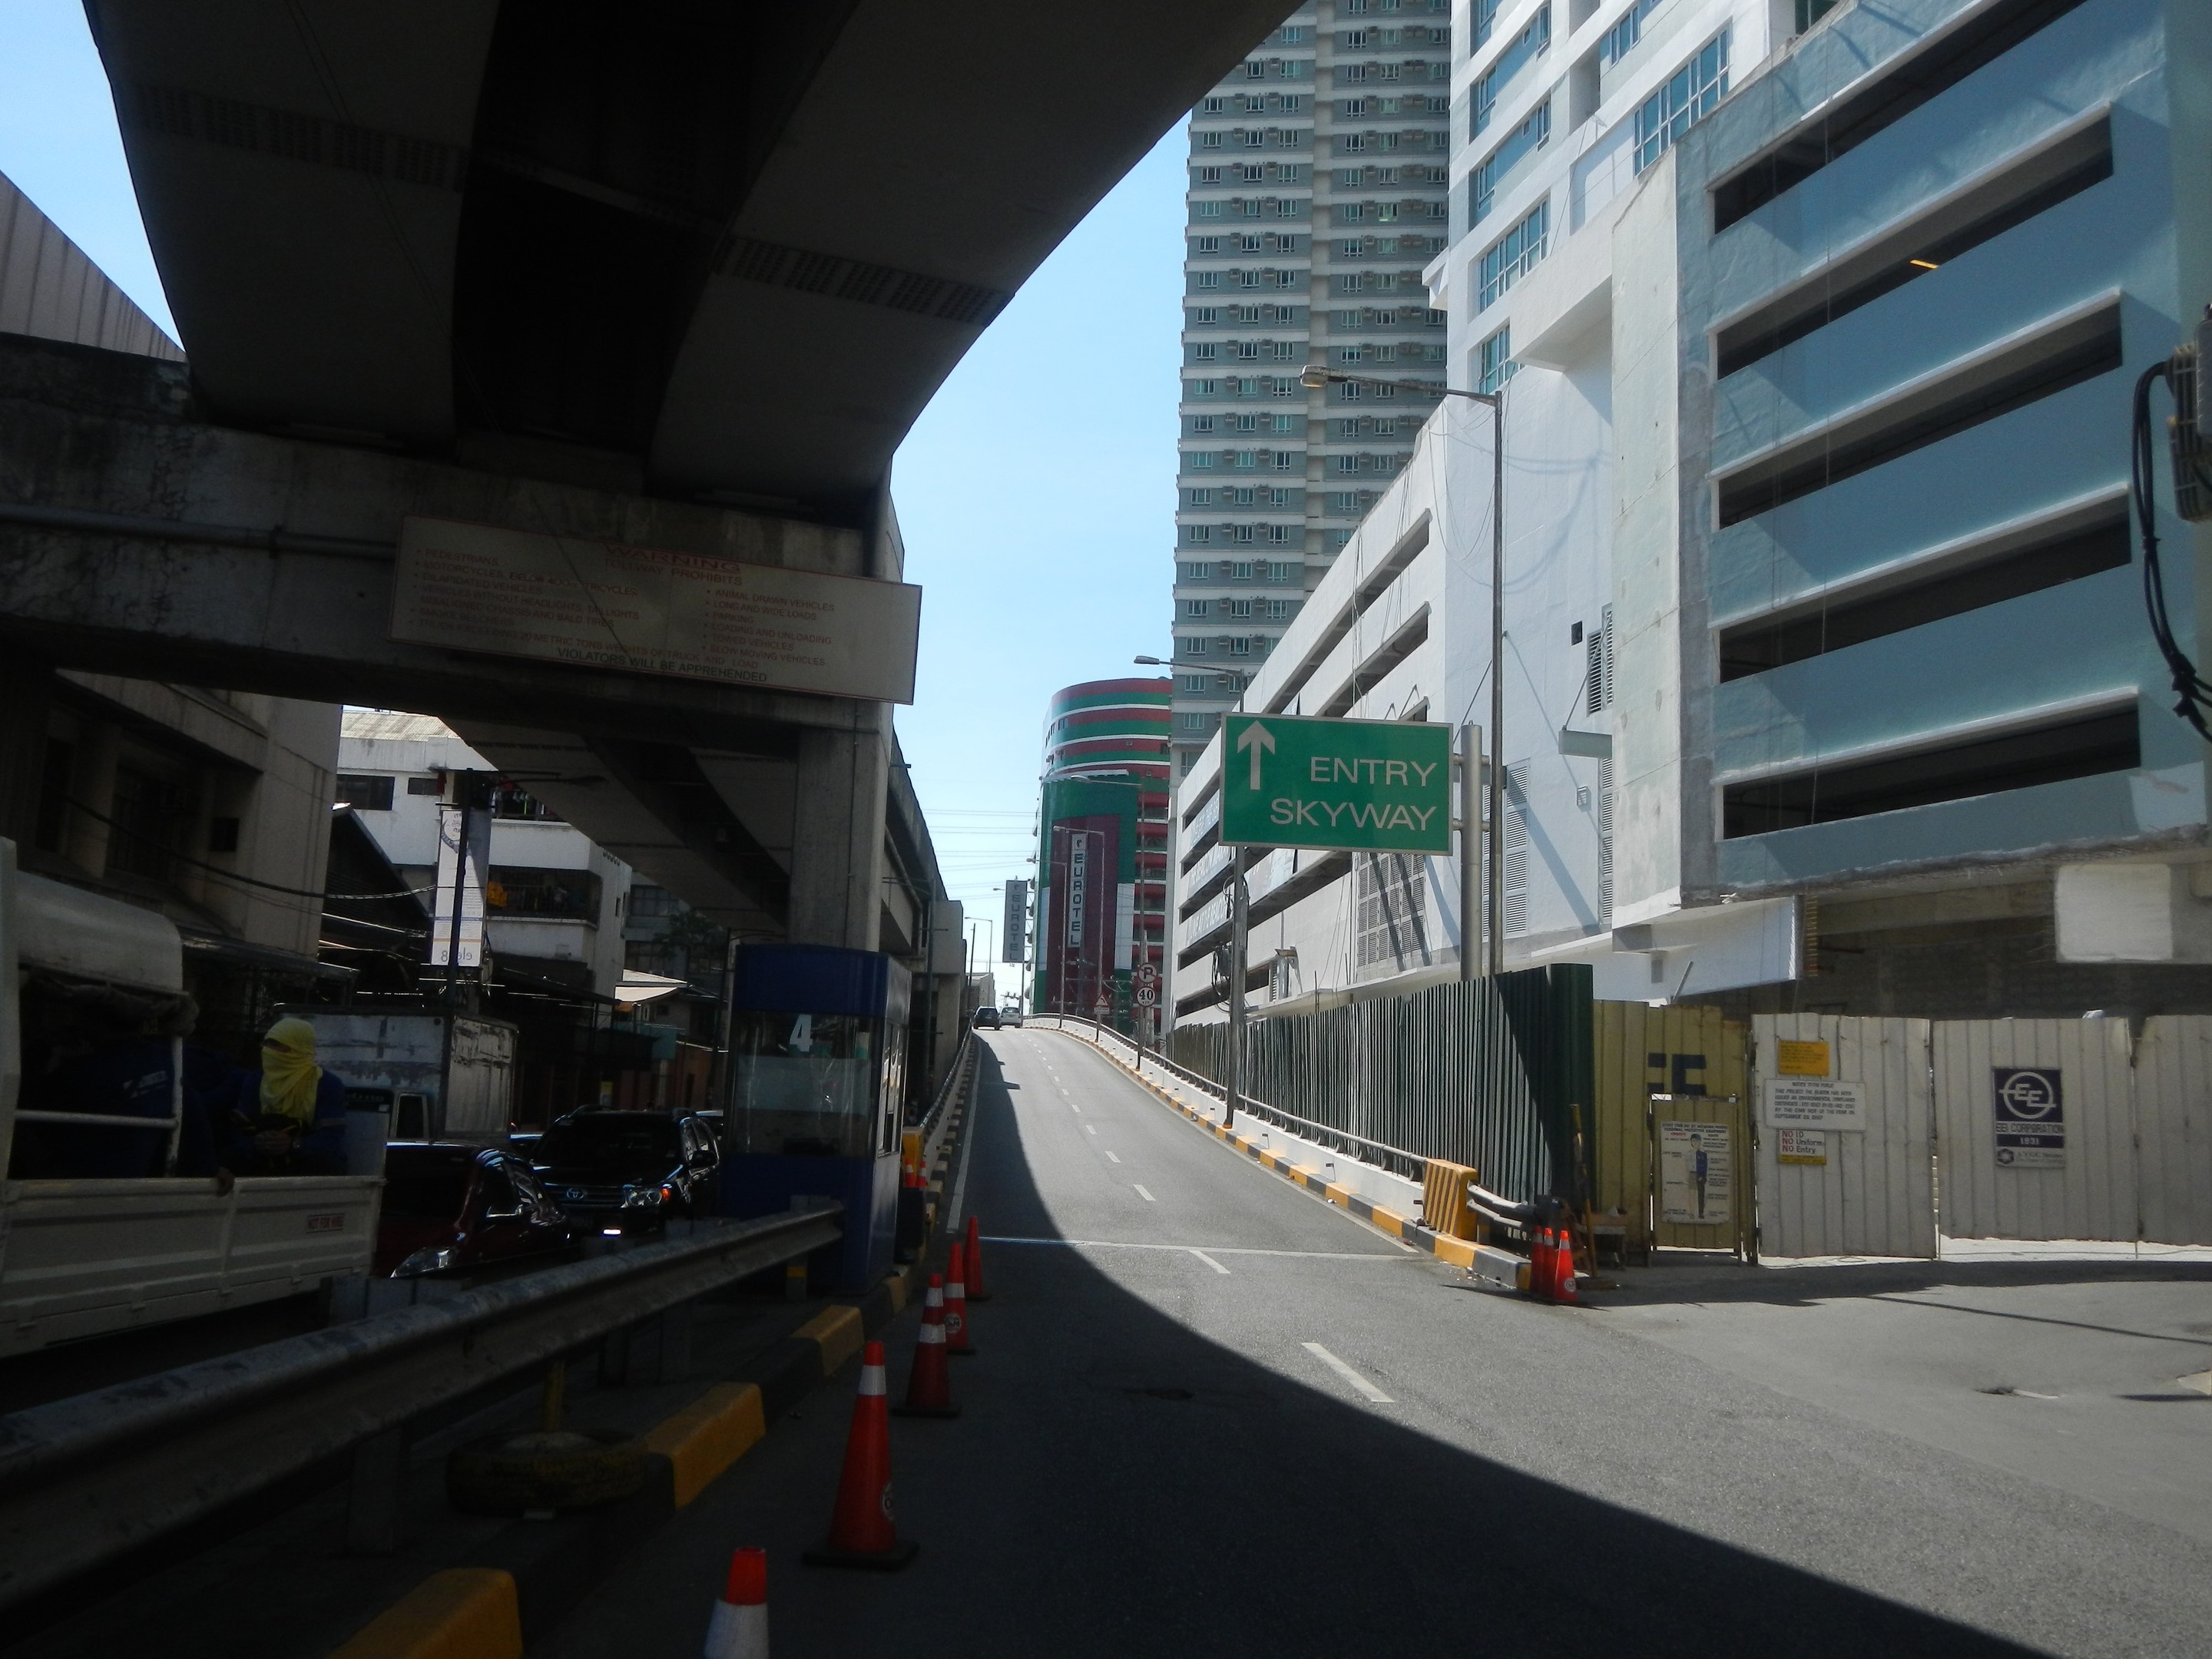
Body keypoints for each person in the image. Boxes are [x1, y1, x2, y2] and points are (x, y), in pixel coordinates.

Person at [213, 1017, 349, 1181]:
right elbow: (240, 1130)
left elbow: (331, 1139)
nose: (268, 1050)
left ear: (298, 1049)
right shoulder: (255, 1080)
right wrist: (257, 1142)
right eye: (267, 1043)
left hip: (305, 1165)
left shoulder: (327, 1084)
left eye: (276, 1044)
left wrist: (294, 1144)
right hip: (261, 1160)